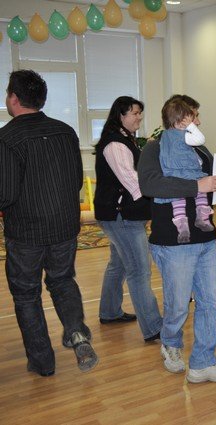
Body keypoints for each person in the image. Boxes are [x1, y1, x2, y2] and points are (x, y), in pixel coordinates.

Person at [0, 69, 98, 375]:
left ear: (13, 98)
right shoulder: (66, 132)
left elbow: (5, 193)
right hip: (65, 227)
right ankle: (77, 332)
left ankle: (43, 363)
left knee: (26, 294)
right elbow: (76, 182)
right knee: (62, 280)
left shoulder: (7, 137)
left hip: (26, 233)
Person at [138, 94, 216, 383]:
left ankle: (203, 363)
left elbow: (211, 183)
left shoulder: (200, 148)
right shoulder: (154, 148)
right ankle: (170, 343)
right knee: (179, 304)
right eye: (195, 116)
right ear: (181, 119)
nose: (199, 121)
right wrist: (197, 185)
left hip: (205, 237)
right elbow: (150, 185)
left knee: (211, 302)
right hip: (173, 242)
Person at [93, 96, 163, 343]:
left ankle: (109, 311)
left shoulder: (125, 139)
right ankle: (153, 327)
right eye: (134, 113)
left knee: (119, 264)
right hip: (121, 216)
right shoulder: (116, 144)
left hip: (121, 214)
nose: (139, 118)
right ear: (121, 115)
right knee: (139, 270)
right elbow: (132, 181)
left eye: (140, 113)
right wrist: (161, 193)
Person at [155, 98, 213, 243]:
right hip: (188, 172)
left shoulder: (164, 137)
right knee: (201, 192)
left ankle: (182, 226)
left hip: (173, 174)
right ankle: (202, 218)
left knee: (177, 201)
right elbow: (200, 139)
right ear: (181, 121)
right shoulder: (183, 135)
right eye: (190, 119)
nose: (195, 122)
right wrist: (191, 127)